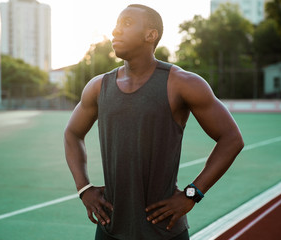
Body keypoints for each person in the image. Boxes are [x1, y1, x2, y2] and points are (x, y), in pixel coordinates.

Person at [64, 4, 244, 240]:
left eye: (126, 23)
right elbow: (72, 134)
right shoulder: (98, 87)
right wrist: (84, 188)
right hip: (110, 228)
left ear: (151, 35)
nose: (115, 31)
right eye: (116, 25)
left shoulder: (183, 83)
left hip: (164, 231)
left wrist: (192, 193)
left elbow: (232, 139)